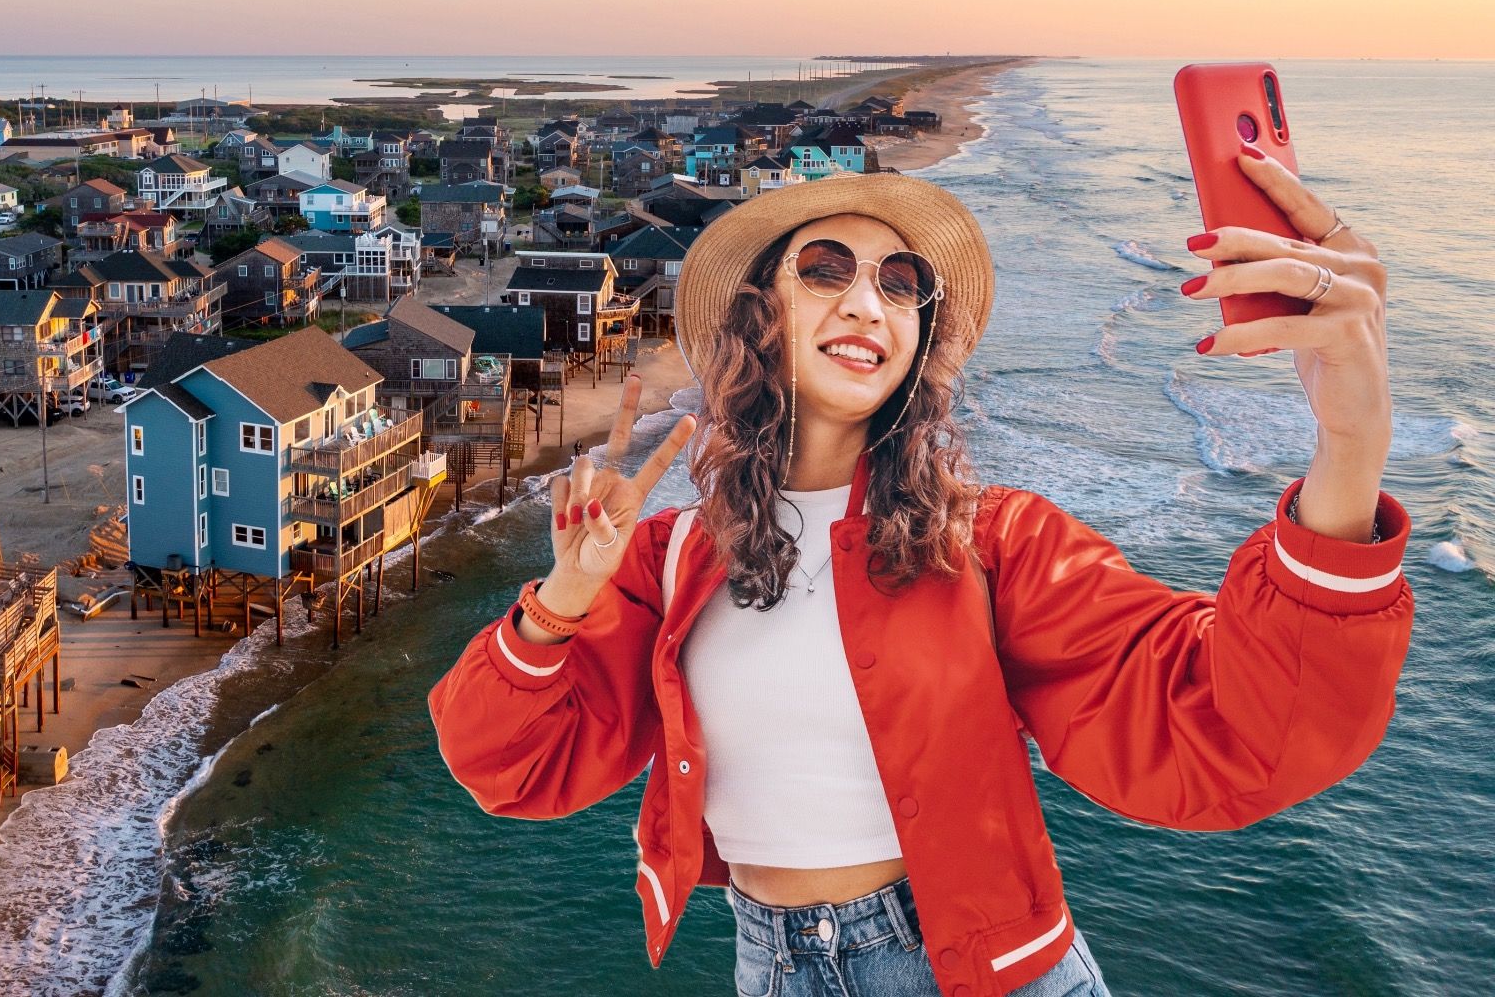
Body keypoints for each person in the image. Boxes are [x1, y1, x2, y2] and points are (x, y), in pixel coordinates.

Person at [428, 168, 1413, 996]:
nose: (867, 301)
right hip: (768, 968)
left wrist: (1350, 449)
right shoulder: (670, 562)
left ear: (916, 341)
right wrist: (560, 601)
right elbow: (510, 769)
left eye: (901, 285)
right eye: (825, 270)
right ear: (760, 313)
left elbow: (1228, 730)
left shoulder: (994, 545)